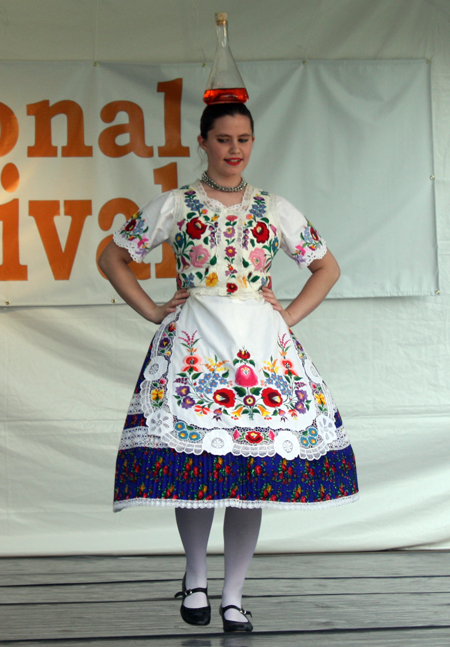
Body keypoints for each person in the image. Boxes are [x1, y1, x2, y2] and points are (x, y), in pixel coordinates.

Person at [99, 102, 359, 633]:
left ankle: (234, 595)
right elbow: (112, 255)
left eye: (243, 139)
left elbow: (326, 267)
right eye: (223, 139)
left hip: (260, 348)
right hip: (195, 340)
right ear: (203, 142)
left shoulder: (273, 207)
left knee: (253, 474)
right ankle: (196, 578)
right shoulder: (177, 204)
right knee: (193, 467)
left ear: (253, 142)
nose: (234, 149)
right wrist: (151, 309)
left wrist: (286, 316)